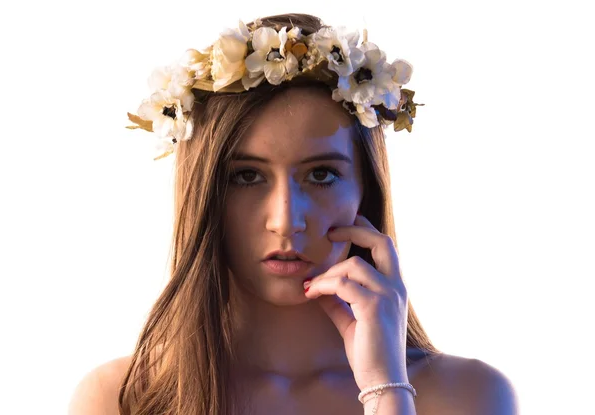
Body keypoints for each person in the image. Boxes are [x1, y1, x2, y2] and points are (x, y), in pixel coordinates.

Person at [69, 13, 519, 415]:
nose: (286, 221)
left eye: (321, 175)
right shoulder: (122, 400)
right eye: (246, 177)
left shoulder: (471, 397)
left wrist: (387, 393)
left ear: (365, 191)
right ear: (203, 193)